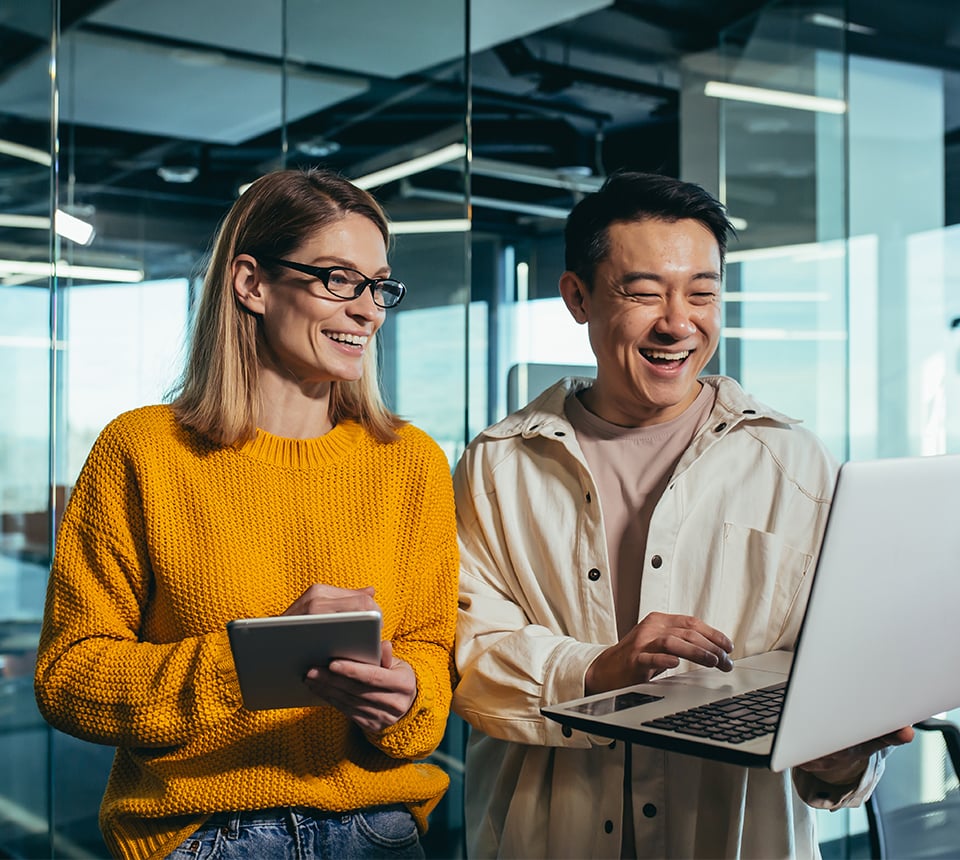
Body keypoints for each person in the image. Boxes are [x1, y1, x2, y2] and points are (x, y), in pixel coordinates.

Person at [451, 170, 913, 859]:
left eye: (702, 293)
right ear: (577, 297)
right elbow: (467, 658)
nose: (678, 321)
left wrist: (839, 753)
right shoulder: (496, 466)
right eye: (644, 292)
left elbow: (831, 688)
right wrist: (596, 671)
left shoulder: (794, 463)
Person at [34, 168, 459, 860]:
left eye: (378, 285)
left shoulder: (410, 462)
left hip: (377, 832)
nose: (369, 310)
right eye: (337, 279)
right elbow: (68, 680)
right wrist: (250, 660)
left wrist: (407, 696)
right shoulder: (142, 451)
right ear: (251, 284)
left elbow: (432, 663)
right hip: (203, 838)